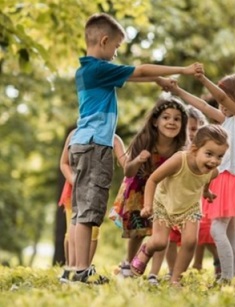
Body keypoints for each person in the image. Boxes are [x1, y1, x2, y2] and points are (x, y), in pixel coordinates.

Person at [69, 12, 202, 284]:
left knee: (82, 211)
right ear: (104, 41)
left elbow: (135, 76)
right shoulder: (98, 68)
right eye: (116, 47)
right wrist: (183, 70)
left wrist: (157, 81)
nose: (117, 54)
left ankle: (75, 269)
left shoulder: (87, 70)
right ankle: (80, 272)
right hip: (95, 146)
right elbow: (139, 70)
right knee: (89, 212)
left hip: (83, 143)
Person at [169, 72, 235, 282]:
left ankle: (226, 278)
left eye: (227, 96)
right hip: (223, 179)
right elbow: (203, 106)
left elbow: (220, 98)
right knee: (230, 233)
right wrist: (177, 91)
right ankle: (233, 277)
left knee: (216, 229)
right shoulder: (228, 120)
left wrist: (202, 79)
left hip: (230, 179)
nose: (221, 103)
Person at [129, 125, 230, 286]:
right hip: (164, 203)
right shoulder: (179, 160)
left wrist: (206, 192)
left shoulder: (213, 171)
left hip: (190, 207)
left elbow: (206, 179)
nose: (214, 161)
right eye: (209, 154)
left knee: (190, 241)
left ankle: (176, 279)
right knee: (160, 242)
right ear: (195, 150)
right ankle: (146, 249)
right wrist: (147, 205)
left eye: (220, 156)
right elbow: (153, 180)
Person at [111, 97, 188, 285]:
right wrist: (137, 160)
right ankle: (128, 264)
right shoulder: (145, 140)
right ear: (155, 121)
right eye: (166, 118)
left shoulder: (181, 147)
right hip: (138, 188)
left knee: (162, 233)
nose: (171, 122)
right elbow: (128, 171)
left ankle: (153, 274)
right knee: (137, 230)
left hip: (164, 192)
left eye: (177, 119)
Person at [58, 129, 127, 283]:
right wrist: (76, 182)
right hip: (73, 192)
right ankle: (71, 269)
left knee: (93, 231)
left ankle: (83, 270)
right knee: (73, 228)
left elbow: (126, 163)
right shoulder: (75, 134)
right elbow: (64, 163)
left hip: (95, 192)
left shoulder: (113, 138)